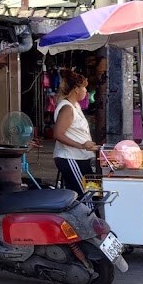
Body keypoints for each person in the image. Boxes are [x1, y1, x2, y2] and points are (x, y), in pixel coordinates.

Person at [52, 70, 99, 198]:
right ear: (76, 89)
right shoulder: (67, 108)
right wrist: (81, 145)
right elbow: (57, 134)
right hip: (71, 157)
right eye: (84, 87)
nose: (86, 91)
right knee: (86, 195)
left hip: (82, 158)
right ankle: (89, 217)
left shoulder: (75, 105)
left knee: (92, 191)